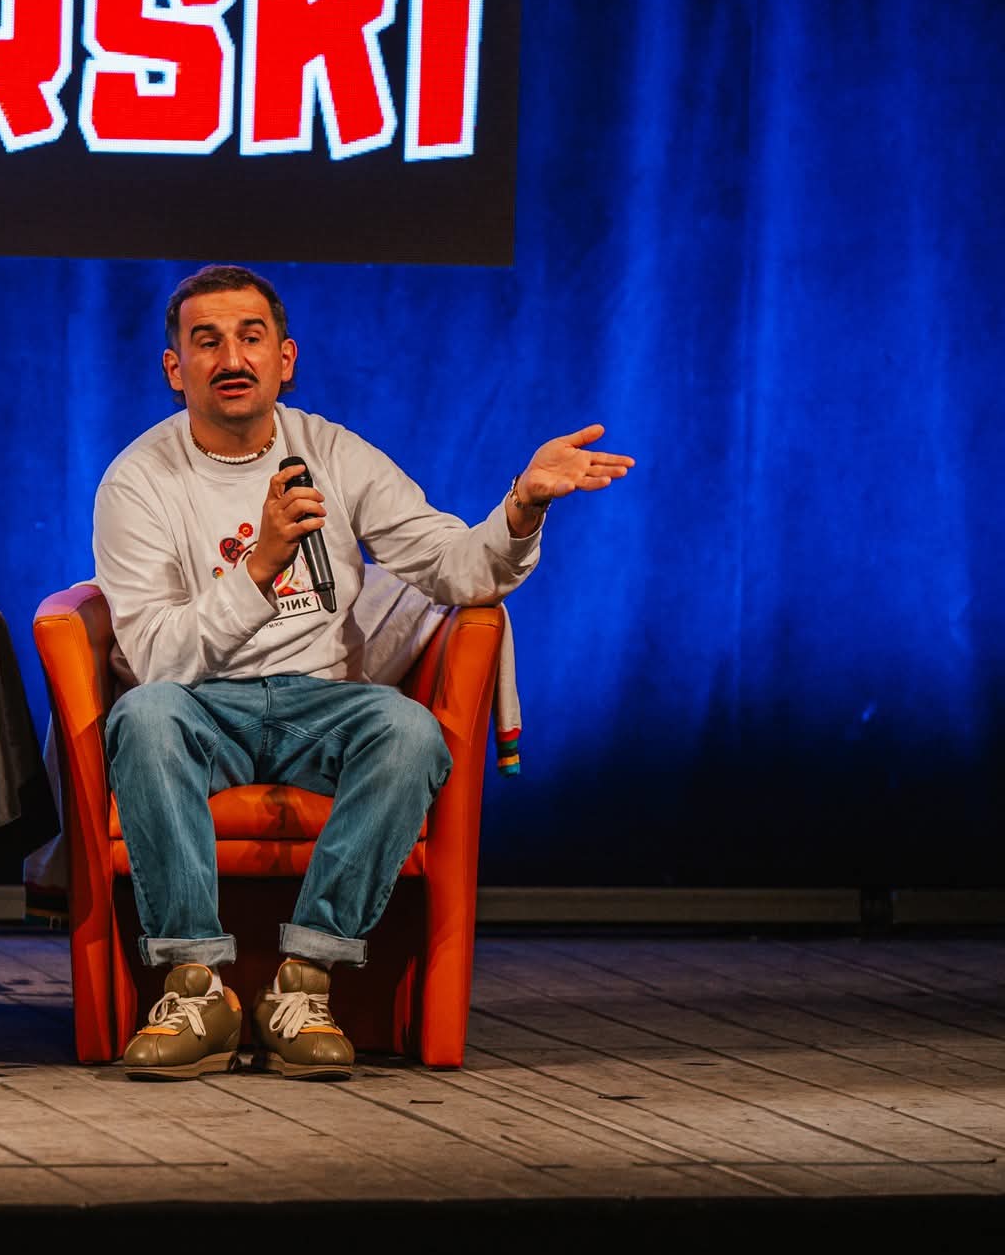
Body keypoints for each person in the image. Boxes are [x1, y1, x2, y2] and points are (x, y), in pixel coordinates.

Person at [93, 264, 634, 1081]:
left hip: (323, 703)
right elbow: (156, 658)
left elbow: (454, 565)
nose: (231, 358)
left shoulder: (333, 453)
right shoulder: (138, 480)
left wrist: (523, 504)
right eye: (207, 342)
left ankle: (303, 985)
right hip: (201, 707)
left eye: (251, 338)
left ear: (285, 358)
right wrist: (261, 567)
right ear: (176, 368)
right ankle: (196, 988)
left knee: (410, 732)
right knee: (144, 717)